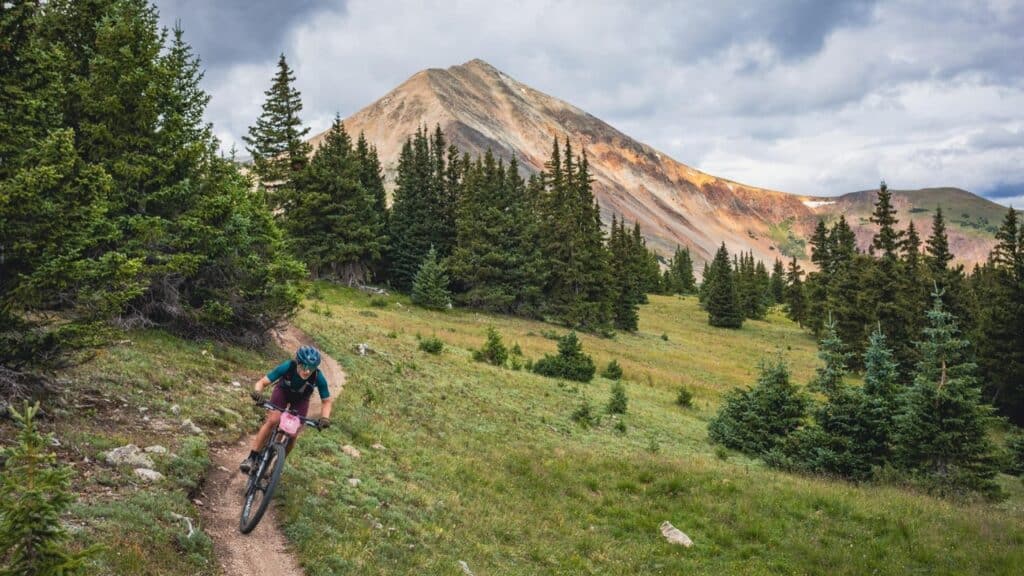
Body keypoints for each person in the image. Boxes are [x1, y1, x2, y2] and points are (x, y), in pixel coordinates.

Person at [240, 345, 333, 473]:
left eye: (311, 368)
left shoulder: (318, 377)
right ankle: (252, 457)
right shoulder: (288, 366)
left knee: (293, 434)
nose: (307, 371)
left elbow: (326, 401)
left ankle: (277, 466)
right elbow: (262, 382)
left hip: (301, 399)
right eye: (304, 366)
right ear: (298, 363)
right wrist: (258, 393)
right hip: (282, 392)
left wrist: (325, 418)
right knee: (273, 420)